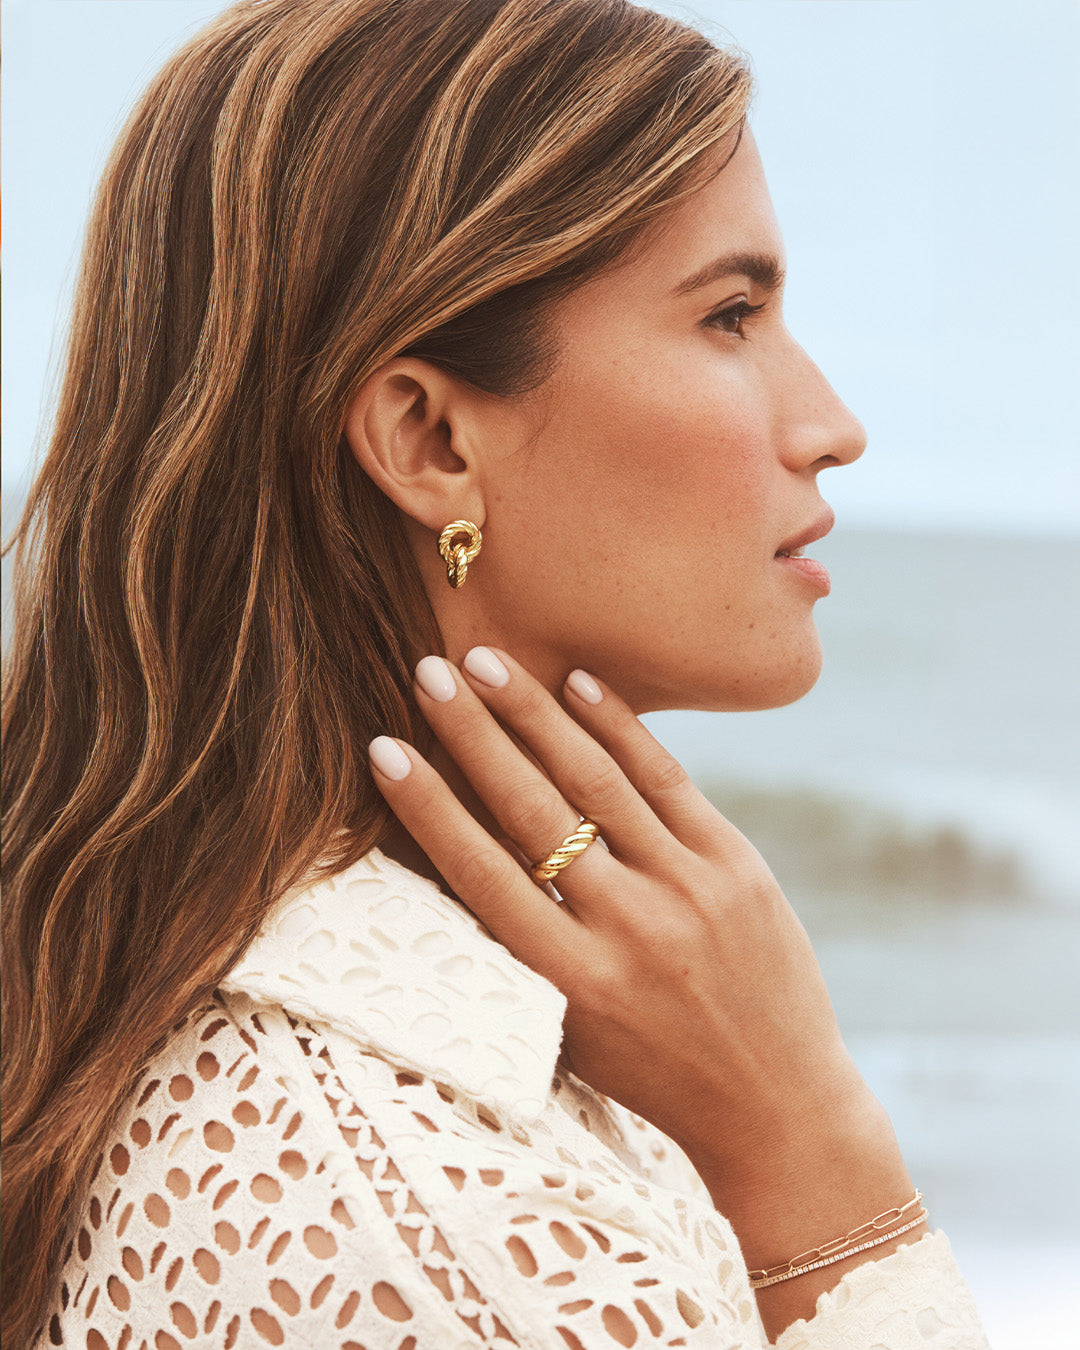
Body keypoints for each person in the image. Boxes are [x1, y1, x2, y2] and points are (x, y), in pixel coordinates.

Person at [1, 1, 991, 1345]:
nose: (831, 424)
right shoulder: (421, 1225)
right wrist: (822, 1173)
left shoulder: (428, 1056)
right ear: (429, 440)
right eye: (730, 315)